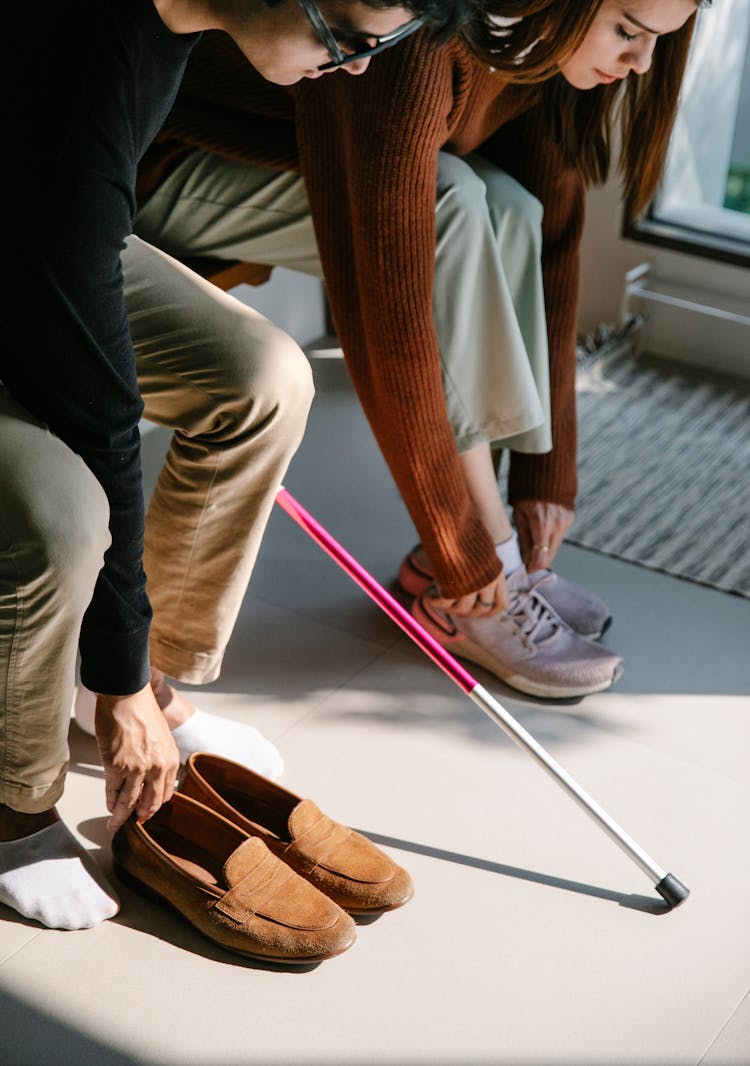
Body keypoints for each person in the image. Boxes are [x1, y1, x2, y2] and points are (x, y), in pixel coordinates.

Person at [0, 0, 477, 932]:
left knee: (264, 377)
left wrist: (133, 672)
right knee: (64, 517)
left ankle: (149, 693)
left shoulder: (173, 20)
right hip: (36, 227)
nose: (354, 70)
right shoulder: (77, 75)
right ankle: (13, 801)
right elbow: (102, 418)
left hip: (33, 230)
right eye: (346, 38)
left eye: (378, 48)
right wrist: (115, 670)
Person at [133, 0, 703, 698]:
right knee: (454, 204)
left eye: (655, 44)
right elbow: (387, 309)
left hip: (300, 163)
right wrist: (461, 546)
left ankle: (479, 567)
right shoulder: (416, 38)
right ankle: (476, 582)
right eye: (628, 32)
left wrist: (545, 476)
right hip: (163, 166)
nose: (640, 63)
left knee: (508, 207)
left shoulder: (532, 50)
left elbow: (549, 231)